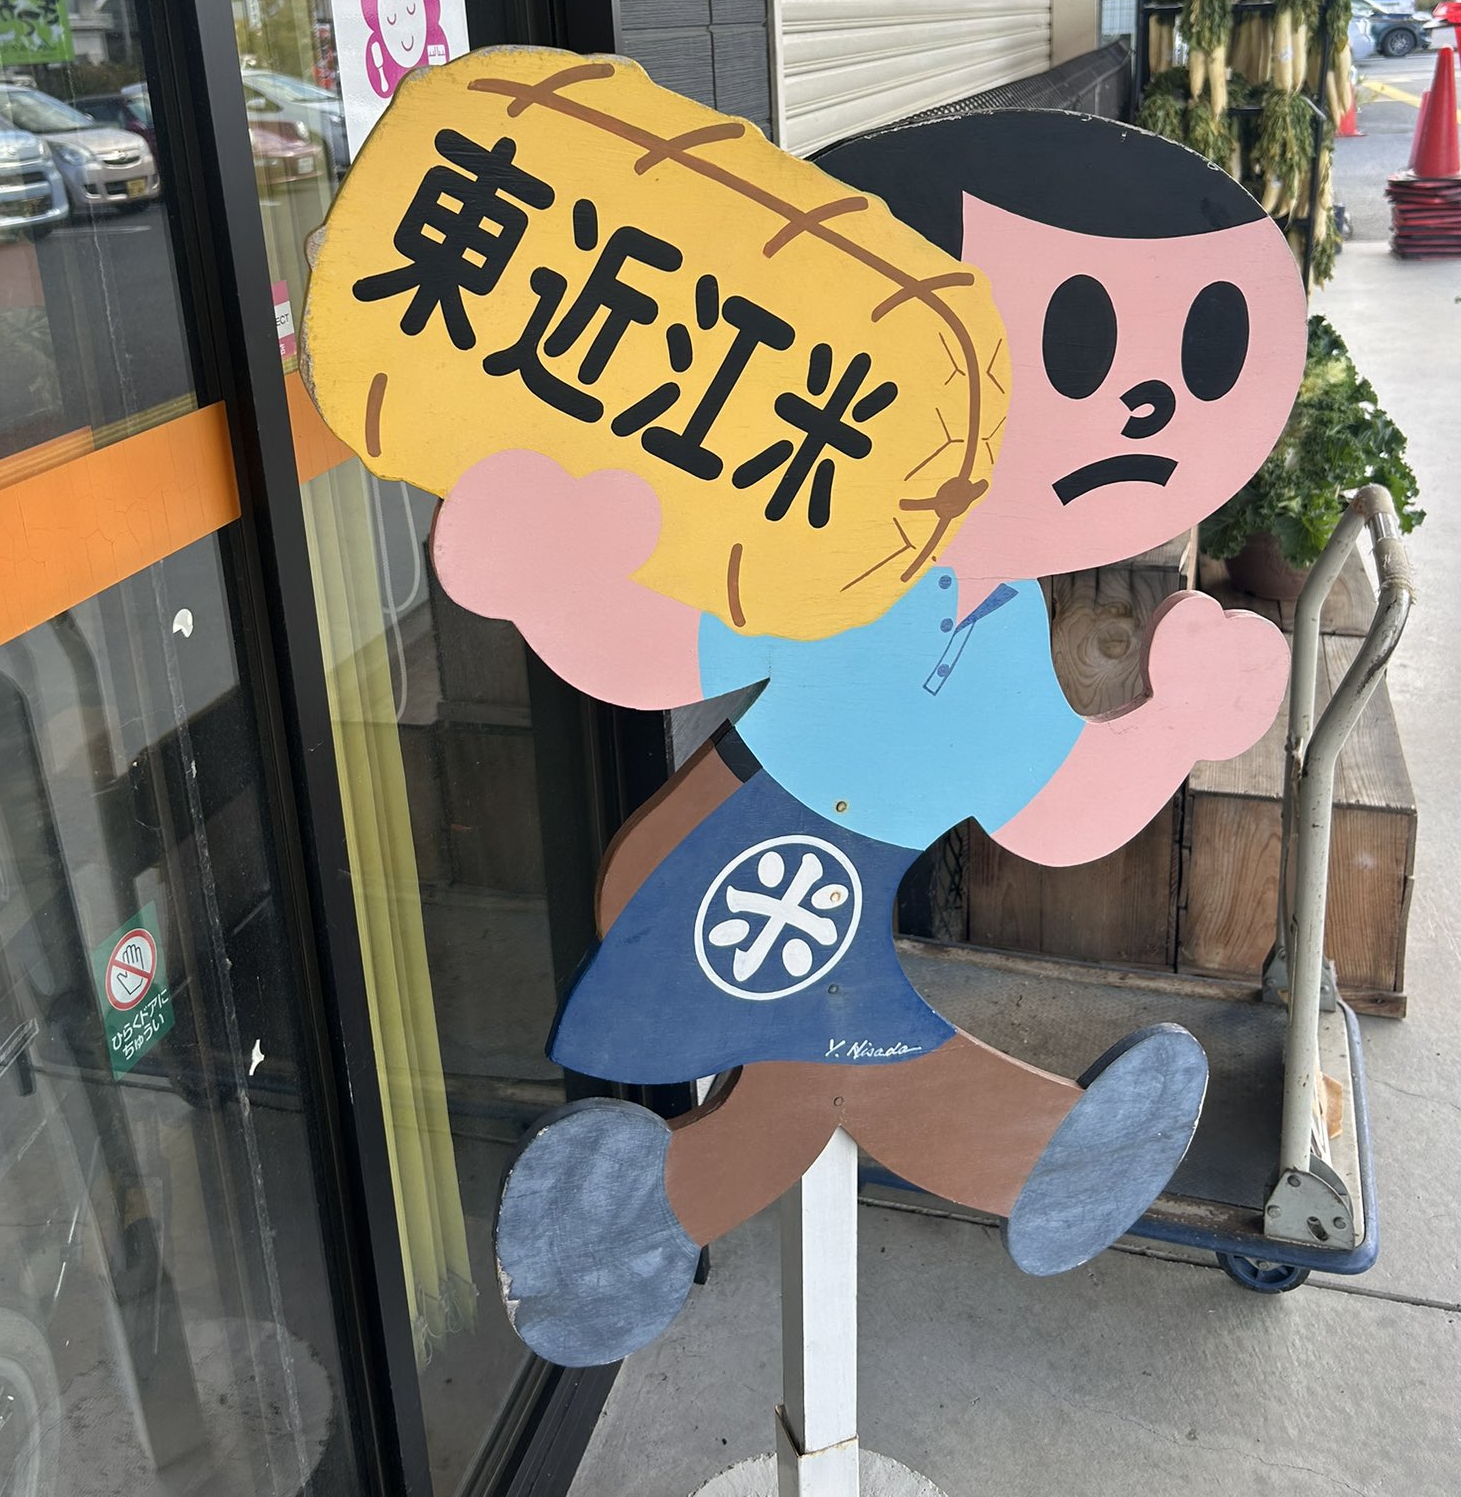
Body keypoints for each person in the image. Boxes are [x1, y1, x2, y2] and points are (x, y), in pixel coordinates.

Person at [434, 109, 1309, 1369]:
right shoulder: (840, 548)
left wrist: (1175, 722)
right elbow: (687, 640)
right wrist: (555, 571)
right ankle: (1038, 1162)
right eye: (1071, 340)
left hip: (828, 885)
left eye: (1203, 350)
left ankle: (615, 1231)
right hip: (739, 853)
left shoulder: (1016, 634)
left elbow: (1051, 803)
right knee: (848, 1063)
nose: (1144, 401)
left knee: (822, 1076)